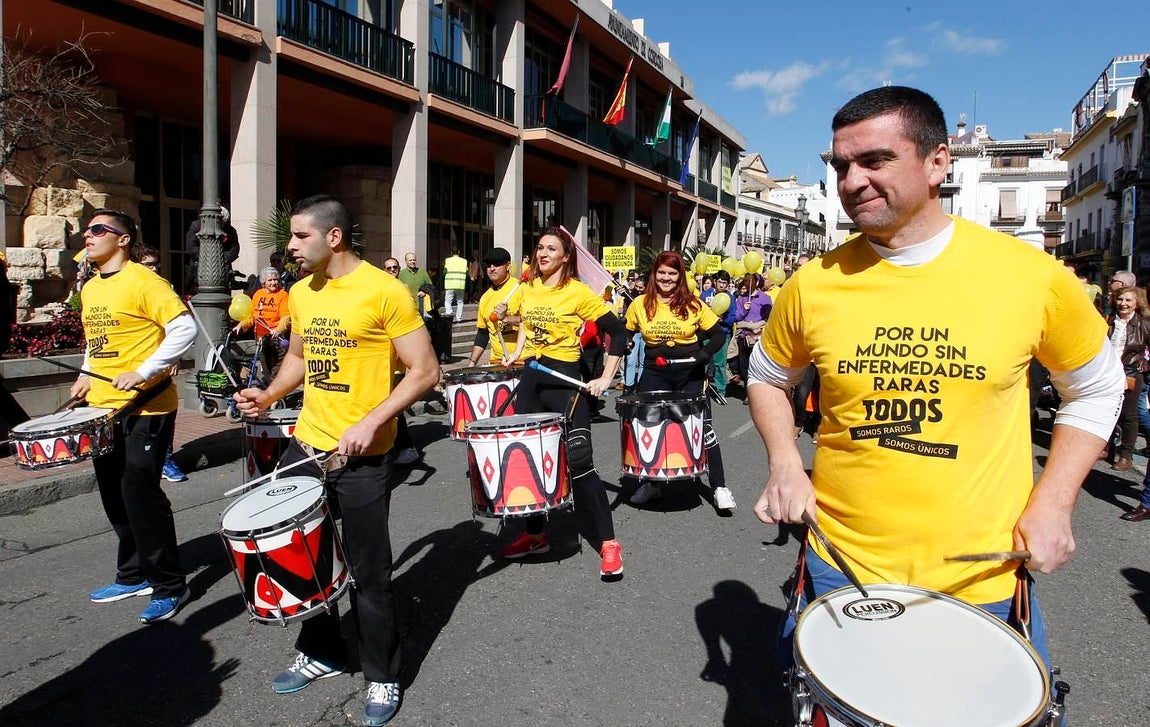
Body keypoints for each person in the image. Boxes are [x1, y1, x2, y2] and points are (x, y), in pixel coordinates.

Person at [747, 86, 1123, 678]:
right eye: (841, 165)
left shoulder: (1031, 277)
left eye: (874, 161)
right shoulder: (813, 282)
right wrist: (785, 464)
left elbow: (1098, 387)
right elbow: (768, 375)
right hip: (839, 563)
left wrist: (1054, 503)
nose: (851, 181)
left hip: (980, 574)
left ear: (937, 162)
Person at [234, 196, 439, 726]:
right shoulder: (302, 292)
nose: (290, 247)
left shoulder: (385, 291)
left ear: (334, 237)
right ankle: (322, 652)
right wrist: (270, 394)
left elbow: (424, 371)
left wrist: (373, 420)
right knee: (308, 558)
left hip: (365, 456)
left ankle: (382, 675)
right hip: (308, 443)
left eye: (300, 236)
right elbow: (300, 358)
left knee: (370, 573)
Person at [74, 210, 198, 623]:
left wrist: (143, 372)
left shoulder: (145, 281)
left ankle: (169, 584)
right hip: (103, 406)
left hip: (148, 406)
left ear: (123, 239)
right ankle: (132, 574)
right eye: (87, 230)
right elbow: (98, 340)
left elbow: (184, 329)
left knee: (140, 492)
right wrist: (83, 375)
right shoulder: (91, 288)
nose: (87, 236)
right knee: (113, 492)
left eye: (97, 230)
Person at [501, 227, 627, 578]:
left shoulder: (578, 292)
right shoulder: (526, 288)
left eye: (551, 249)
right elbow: (524, 322)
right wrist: (514, 345)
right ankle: (535, 535)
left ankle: (609, 544)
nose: (542, 254)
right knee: (532, 463)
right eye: (539, 247)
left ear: (565, 256)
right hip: (531, 380)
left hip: (564, 382)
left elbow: (617, 331)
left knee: (580, 463)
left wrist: (606, 377)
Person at [625, 251, 735, 513]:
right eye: (662, 272)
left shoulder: (694, 304)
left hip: (689, 374)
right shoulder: (640, 304)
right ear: (654, 274)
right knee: (650, 427)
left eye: (672, 273)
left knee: (702, 428)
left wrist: (704, 354)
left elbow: (717, 335)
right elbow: (625, 332)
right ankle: (653, 483)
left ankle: (718, 486)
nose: (666, 278)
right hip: (654, 372)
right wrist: (625, 341)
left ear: (680, 276)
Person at [137, 248, 189, 484]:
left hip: (159, 366)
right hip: (132, 365)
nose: (154, 268)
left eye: (156, 264)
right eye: (148, 264)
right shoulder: (134, 287)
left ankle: (165, 459)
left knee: (165, 413)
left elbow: (175, 328)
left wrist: (173, 358)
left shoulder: (162, 287)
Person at [383, 256, 424, 466]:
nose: (391, 271)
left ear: (399, 269)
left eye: (394, 268)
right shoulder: (381, 291)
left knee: (395, 408)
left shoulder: (403, 290)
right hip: (382, 362)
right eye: (388, 268)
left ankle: (406, 447)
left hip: (398, 362)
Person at [1105, 286, 1150, 471]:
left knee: (1129, 415)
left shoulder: (1144, 323)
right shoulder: (1107, 321)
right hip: (1107, 373)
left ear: (1137, 303)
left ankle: (1125, 456)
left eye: (1128, 300)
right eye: (1120, 299)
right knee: (1107, 412)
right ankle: (1106, 448)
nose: (1123, 304)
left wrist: (1144, 366)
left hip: (1131, 373)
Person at [465, 247, 526, 367]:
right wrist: (471, 363)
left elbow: (531, 322)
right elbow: (483, 334)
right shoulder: (485, 298)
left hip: (521, 361)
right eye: (488, 265)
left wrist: (506, 318)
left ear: (508, 266)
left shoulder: (521, 288)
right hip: (496, 362)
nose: (492, 268)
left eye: (497, 264)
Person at [233, 267, 292, 381]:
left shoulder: (282, 295)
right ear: (264, 282)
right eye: (270, 280)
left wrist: (278, 330)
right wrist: (241, 325)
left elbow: (286, 316)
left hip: (276, 337)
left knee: (276, 369)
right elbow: (252, 316)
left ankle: (277, 395)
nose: (274, 282)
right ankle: (271, 394)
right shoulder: (258, 294)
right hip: (261, 338)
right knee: (266, 369)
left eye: (275, 279)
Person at [732, 273, 772, 403]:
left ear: (756, 282)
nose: (748, 283)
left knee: (757, 366)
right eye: (746, 280)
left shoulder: (765, 298)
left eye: (751, 281)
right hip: (744, 337)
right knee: (744, 367)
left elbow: (769, 317)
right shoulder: (741, 298)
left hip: (758, 336)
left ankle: (757, 393)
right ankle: (748, 391)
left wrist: (758, 325)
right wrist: (744, 309)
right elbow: (736, 317)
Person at [185, 204, 240, 294]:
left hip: (223, 267)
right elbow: (191, 247)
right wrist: (207, 258)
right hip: (198, 265)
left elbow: (234, 249)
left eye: (223, 223)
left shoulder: (230, 231)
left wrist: (220, 259)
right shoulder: (196, 226)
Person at [708, 270, 735, 395]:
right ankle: (701, 387)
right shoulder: (705, 294)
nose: (721, 285)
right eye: (719, 282)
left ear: (728, 284)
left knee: (720, 364)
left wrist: (722, 320)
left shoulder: (730, 298)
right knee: (703, 361)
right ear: (715, 282)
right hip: (706, 333)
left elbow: (732, 317)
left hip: (722, 334)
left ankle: (720, 390)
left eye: (724, 283)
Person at [442, 248, 467, 323]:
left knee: (448, 301)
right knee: (460, 302)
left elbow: (444, 271)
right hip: (460, 284)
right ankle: (459, 318)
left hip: (450, 284)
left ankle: (449, 316)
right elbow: (467, 272)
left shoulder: (448, 260)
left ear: (451, 252)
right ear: (459, 252)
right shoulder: (464, 261)